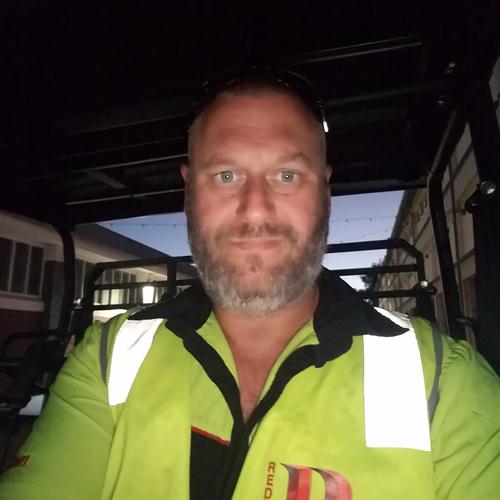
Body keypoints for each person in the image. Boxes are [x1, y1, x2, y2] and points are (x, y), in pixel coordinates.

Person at [1, 69, 499, 500]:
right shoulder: (107, 358)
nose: (255, 209)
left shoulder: (447, 382)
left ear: (325, 193)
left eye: (287, 175)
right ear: (189, 192)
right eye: (225, 176)